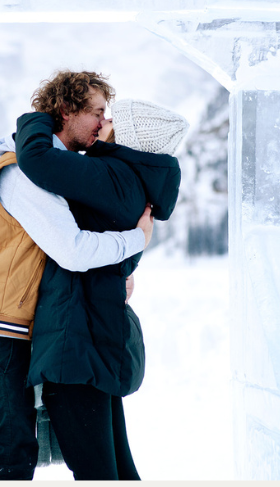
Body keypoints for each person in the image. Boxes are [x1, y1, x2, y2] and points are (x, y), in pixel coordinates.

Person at [0, 72, 153, 479]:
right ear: (66, 111)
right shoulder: (23, 174)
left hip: (16, 331)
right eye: (95, 112)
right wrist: (137, 239)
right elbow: (73, 250)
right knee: (11, 453)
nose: (101, 121)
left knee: (20, 451)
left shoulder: (51, 172)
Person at [13, 86, 186, 480]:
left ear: (129, 135)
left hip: (75, 348)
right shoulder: (133, 182)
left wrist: (37, 117)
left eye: (112, 118)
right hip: (94, 342)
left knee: (99, 475)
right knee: (117, 472)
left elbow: (36, 159)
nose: (103, 122)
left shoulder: (110, 176)